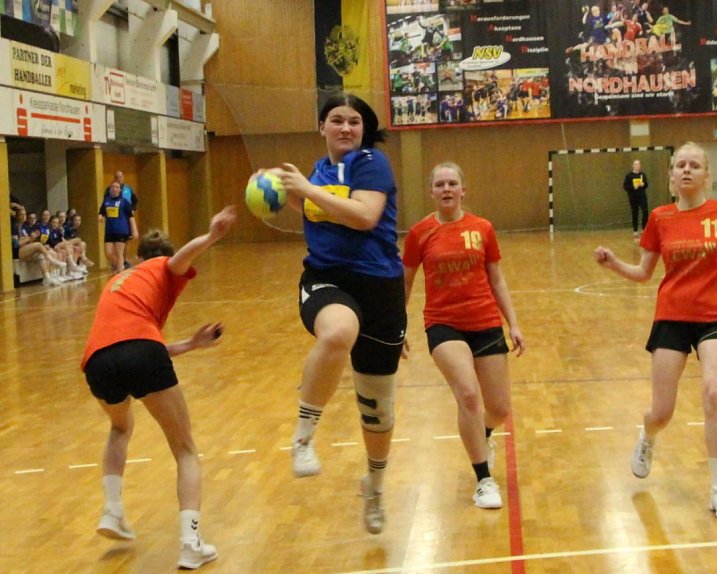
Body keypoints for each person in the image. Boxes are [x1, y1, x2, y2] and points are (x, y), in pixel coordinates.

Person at [263, 92, 406, 535]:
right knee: (337, 333)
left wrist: (305, 190)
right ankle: (303, 438)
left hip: (382, 290)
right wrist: (272, 187)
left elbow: (364, 216)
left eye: (355, 121)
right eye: (337, 120)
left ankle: (375, 485)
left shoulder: (370, 164)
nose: (347, 127)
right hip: (328, 279)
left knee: (377, 412)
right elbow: (310, 205)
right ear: (321, 127)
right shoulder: (318, 171)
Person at [593, 142, 717, 521]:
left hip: (714, 317)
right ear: (670, 176)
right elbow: (644, 273)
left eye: (694, 165)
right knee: (662, 412)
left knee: (713, 394)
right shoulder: (661, 218)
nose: (686, 170)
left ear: (706, 175)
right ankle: (648, 437)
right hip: (671, 317)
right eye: (680, 165)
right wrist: (614, 263)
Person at [80, 205, 236, 569]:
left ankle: (113, 510)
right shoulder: (162, 268)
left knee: (120, 427)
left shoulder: (119, 282)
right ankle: (190, 543)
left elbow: (131, 344)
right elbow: (178, 261)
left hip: (97, 362)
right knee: (185, 450)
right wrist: (213, 235)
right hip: (139, 352)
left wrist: (192, 345)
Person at [401, 162, 525, 509]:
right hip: (443, 325)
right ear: (431, 192)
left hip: (485, 321)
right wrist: (397, 326)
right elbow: (406, 281)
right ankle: (483, 480)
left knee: (498, 408)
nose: (446, 189)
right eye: (439, 184)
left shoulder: (482, 228)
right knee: (469, 394)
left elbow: (497, 279)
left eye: (452, 183)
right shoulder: (420, 233)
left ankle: (484, 433)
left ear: (462, 189)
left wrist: (512, 323)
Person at [99, 181, 136, 273]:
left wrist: (134, 230)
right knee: (108, 253)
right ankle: (120, 266)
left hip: (121, 230)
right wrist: (100, 216)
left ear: (120, 190)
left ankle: (120, 272)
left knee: (119, 253)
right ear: (110, 189)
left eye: (117, 187)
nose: (114, 189)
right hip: (109, 230)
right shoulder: (106, 201)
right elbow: (102, 212)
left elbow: (131, 217)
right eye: (113, 187)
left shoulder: (124, 202)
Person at [623, 159, 650, 239]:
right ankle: (635, 230)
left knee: (645, 211)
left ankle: (643, 229)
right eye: (635, 164)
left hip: (642, 196)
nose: (637, 166)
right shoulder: (629, 175)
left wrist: (643, 184)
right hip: (633, 197)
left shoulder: (643, 174)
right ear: (633, 166)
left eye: (638, 164)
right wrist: (633, 187)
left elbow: (646, 185)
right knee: (635, 213)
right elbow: (625, 186)